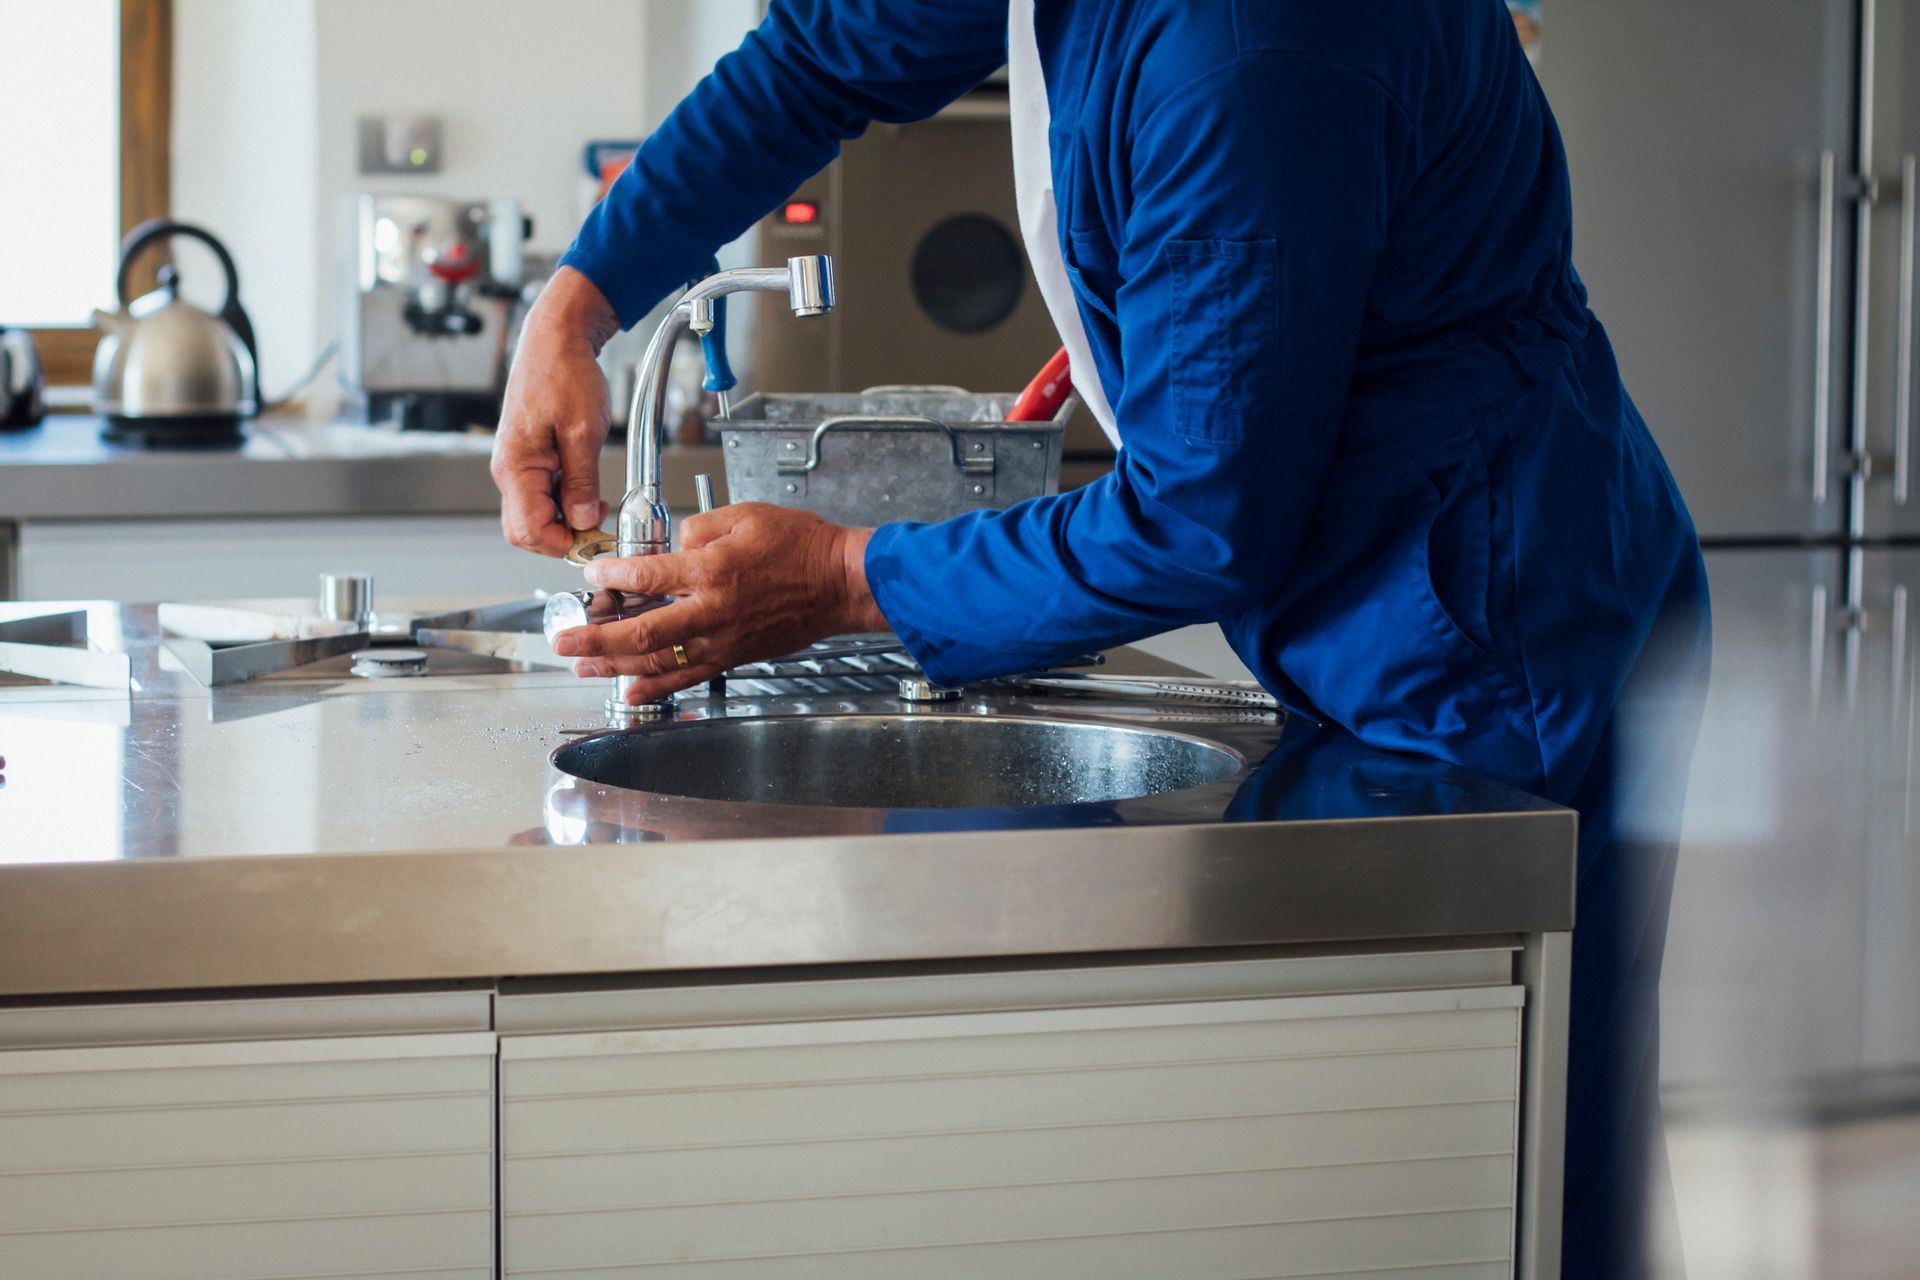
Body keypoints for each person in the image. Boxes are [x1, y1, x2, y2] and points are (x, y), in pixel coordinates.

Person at [489, 2, 1712, 1275]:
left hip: (1497, 622)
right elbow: (819, 52)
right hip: (1394, 587)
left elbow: (1199, 515)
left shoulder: (1244, 47)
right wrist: (575, 307)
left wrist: (842, 574)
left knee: (1518, 1173)